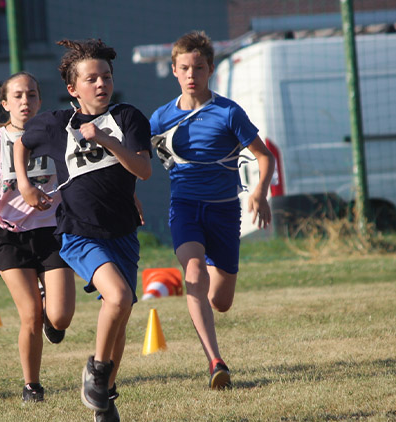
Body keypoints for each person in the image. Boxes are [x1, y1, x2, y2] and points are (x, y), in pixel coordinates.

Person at [15, 39, 152, 421]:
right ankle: (96, 371)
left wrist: (106, 140)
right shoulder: (58, 124)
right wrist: (26, 185)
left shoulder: (127, 118)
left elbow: (143, 171)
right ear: (73, 88)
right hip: (79, 233)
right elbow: (22, 143)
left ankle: (104, 397)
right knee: (120, 298)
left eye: (106, 76)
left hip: (123, 232)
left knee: (119, 315)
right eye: (91, 79)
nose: (101, 84)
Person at [149, 30, 275, 389]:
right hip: (185, 208)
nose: (192, 75)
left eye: (199, 68)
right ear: (174, 70)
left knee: (221, 301)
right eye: (185, 68)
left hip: (223, 213)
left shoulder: (228, 112)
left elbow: (264, 157)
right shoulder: (159, 118)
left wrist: (260, 193)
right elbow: (141, 161)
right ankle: (214, 360)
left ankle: (208, 265)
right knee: (193, 273)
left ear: (210, 70)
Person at [0, 71, 75, 402]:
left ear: (39, 100)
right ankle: (31, 386)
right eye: (19, 95)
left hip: (53, 231)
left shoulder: (57, 133)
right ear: (5, 103)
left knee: (60, 316)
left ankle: (51, 310)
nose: (26, 101)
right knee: (31, 315)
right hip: (11, 235)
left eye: (32, 95)